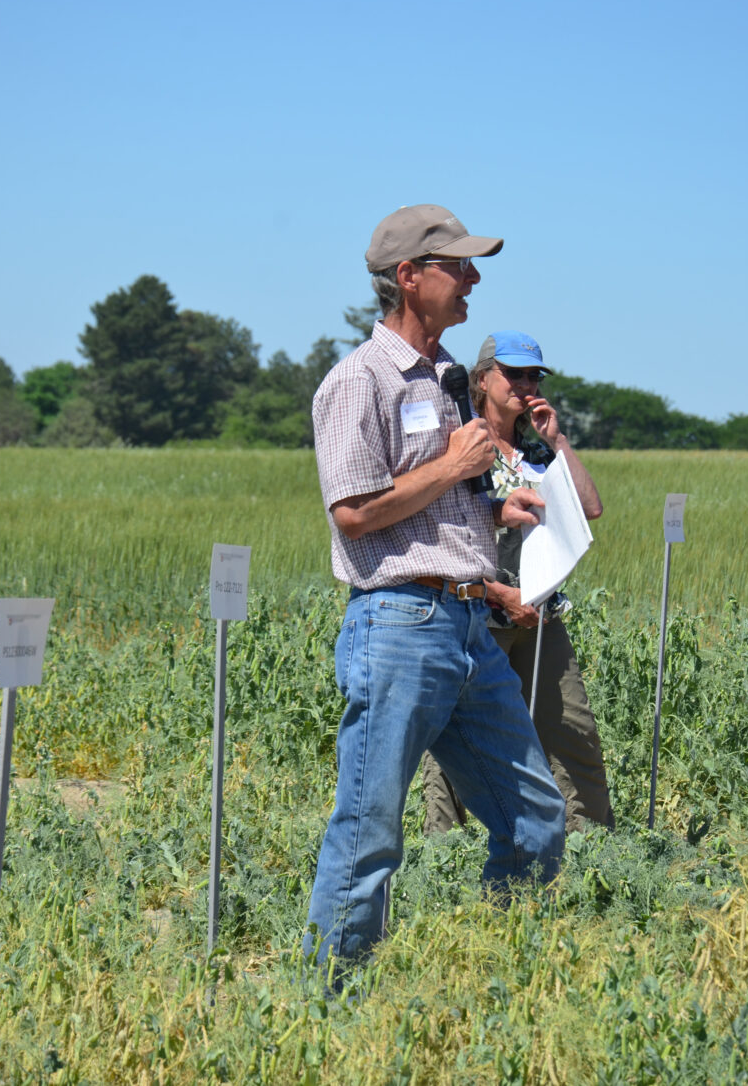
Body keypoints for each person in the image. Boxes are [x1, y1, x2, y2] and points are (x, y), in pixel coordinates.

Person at [304, 205, 566, 972]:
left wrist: (487, 504)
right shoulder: (358, 381)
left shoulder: (448, 380)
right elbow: (355, 514)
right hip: (398, 625)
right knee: (369, 828)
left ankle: (494, 978)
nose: (473, 279)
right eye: (457, 266)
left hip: (466, 629)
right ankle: (332, 1007)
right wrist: (453, 469)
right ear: (409, 278)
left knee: (536, 822)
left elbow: (428, 498)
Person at [422, 330, 614, 835]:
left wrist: (558, 440)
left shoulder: (537, 455)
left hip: (541, 613)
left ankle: (595, 852)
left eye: (534, 375)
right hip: (475, 610)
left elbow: (589, 508)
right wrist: (498, 593)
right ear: (483, 379)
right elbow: (440, 525)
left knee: (571, 729)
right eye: (513, 373)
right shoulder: (459, 445)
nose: (526, 384)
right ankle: (445, 855)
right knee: (457, 735)